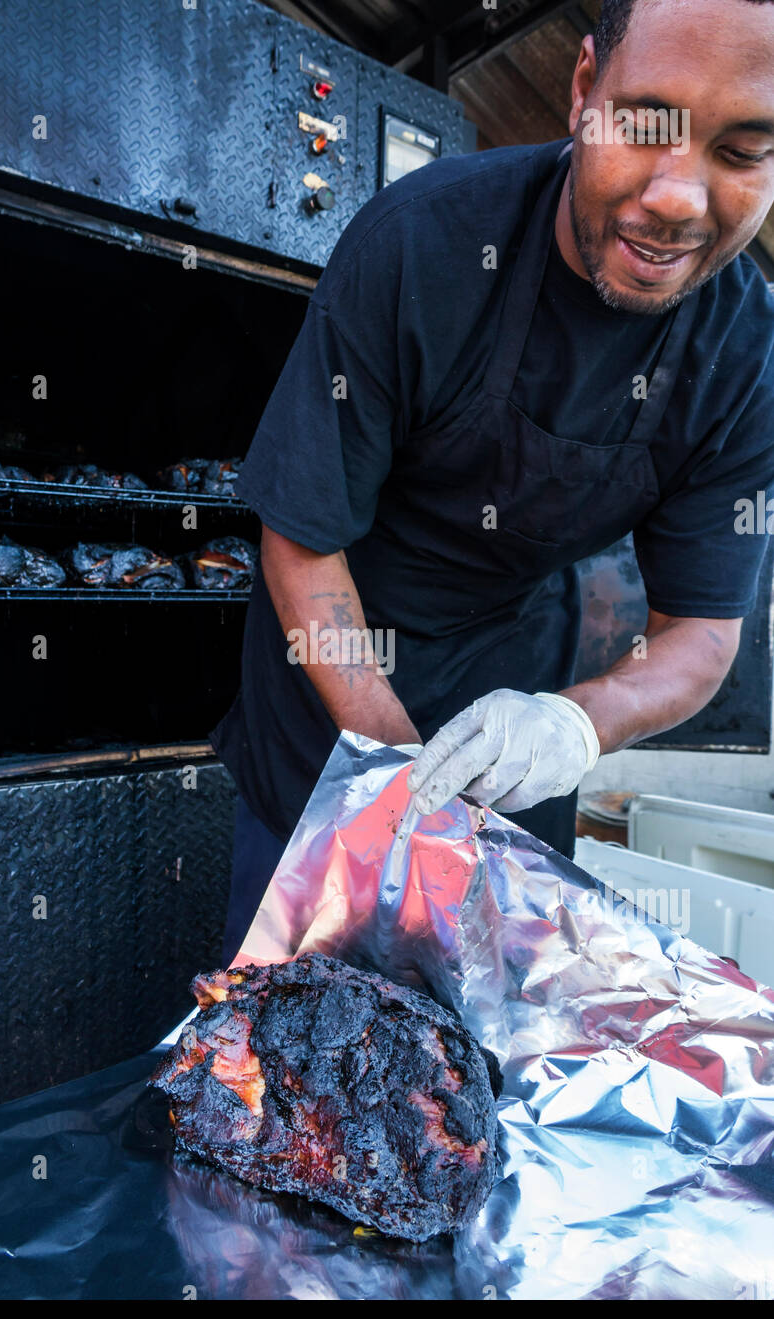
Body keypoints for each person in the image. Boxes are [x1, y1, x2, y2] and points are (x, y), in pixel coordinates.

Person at [212, 0, 774, 961]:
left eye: (742, 151)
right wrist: (392, 785)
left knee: (475, 1055)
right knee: (285, 1049)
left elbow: (702, 636)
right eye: (643, 126)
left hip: (514, 695)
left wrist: (572, 725)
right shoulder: (419, 243)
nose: (680, 197)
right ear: (582, 87)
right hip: (335, 683)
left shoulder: (748, 353)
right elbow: (304, 544)